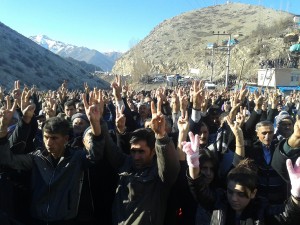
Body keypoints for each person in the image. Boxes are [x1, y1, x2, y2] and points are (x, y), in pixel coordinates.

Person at [0, 92, 103, 225]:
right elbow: (8, 160)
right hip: (37, 219)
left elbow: (96, 155)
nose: (49, 143)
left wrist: (96, 124)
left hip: (66, 220)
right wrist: (2, 130)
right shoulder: (36, 158)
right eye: (46, 137)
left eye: (54, 138)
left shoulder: (76, 158)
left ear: (66, 139)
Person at [184, 131, 300, 224]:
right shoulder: (219, 202)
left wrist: (296, 195)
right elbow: (200, 190)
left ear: (253, 193)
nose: (234, 198)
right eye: (230, 192)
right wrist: (194, 166)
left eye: (241, 194)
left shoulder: (262, 209)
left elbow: (287, 215)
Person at [96, 98, 180, 225]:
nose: (136, 157)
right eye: (133, 151)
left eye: (141, 152)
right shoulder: (126, 163)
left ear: (152, 152)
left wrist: (161, 137)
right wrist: (99, 120)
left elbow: (171, 168)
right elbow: (109, 146)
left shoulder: (159, 174)